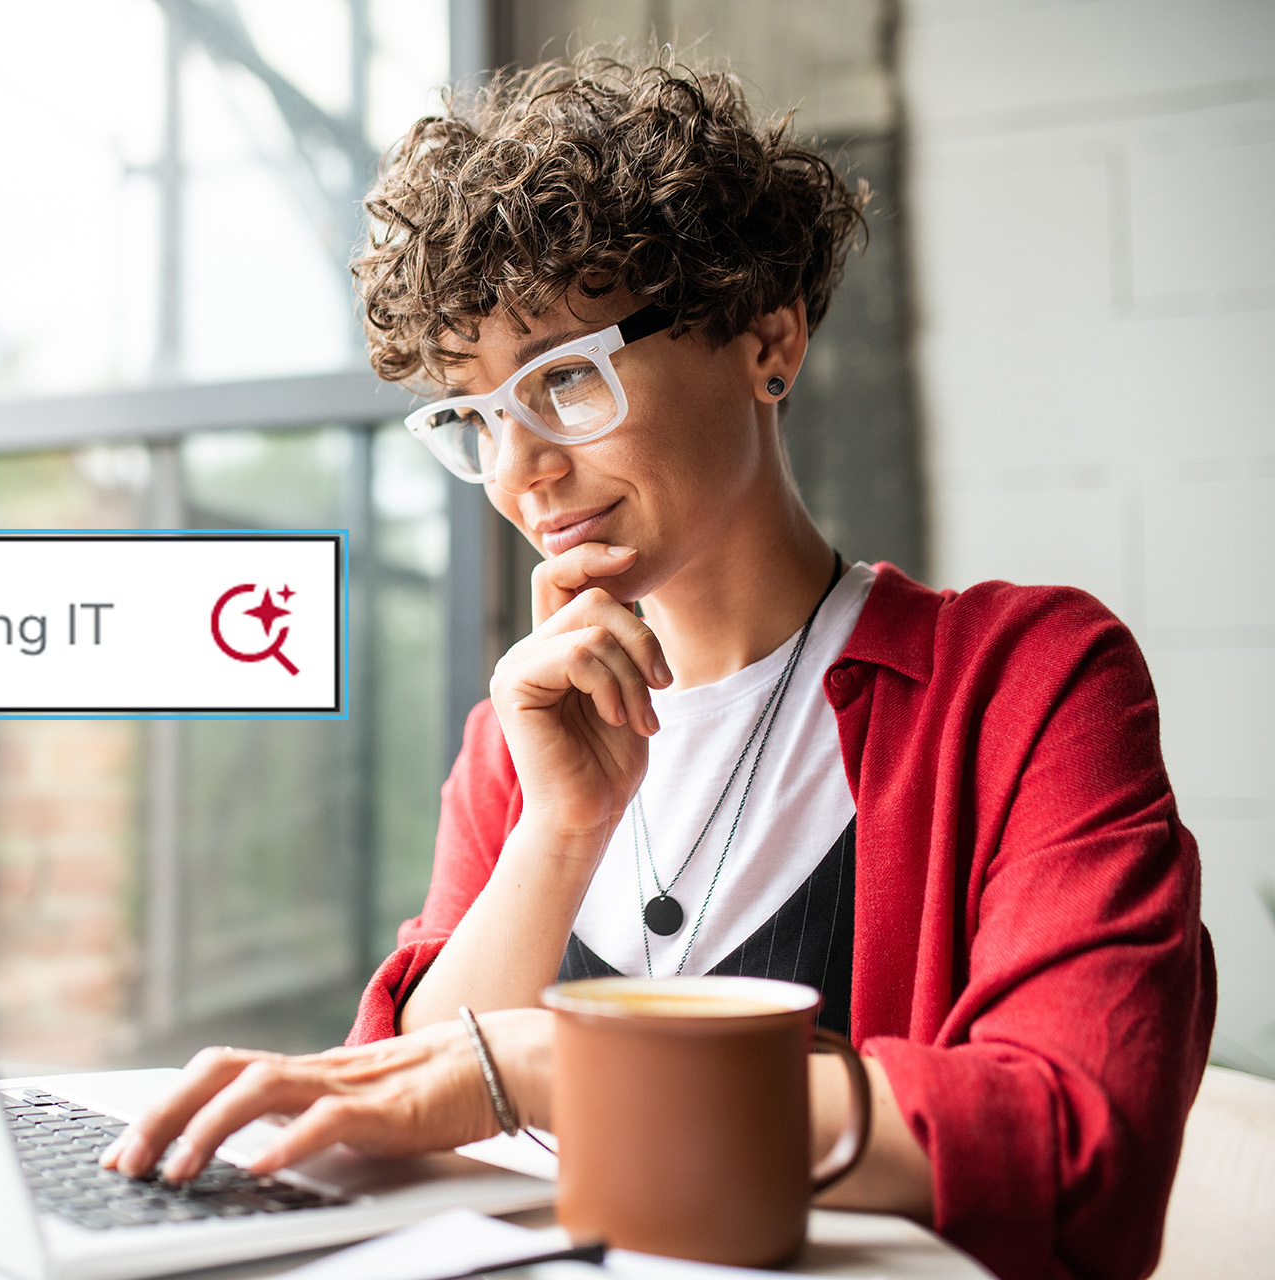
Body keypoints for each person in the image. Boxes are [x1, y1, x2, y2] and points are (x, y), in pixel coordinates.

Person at [100, 51, 1214, 1280]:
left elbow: (1075, 1142)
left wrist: (556, 1064)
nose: (520, 470)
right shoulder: (517, 738)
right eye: (475, 414)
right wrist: (559, 831)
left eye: (564, 378)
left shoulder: (1025, 685)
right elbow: (405, 1092)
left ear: (767, 336)